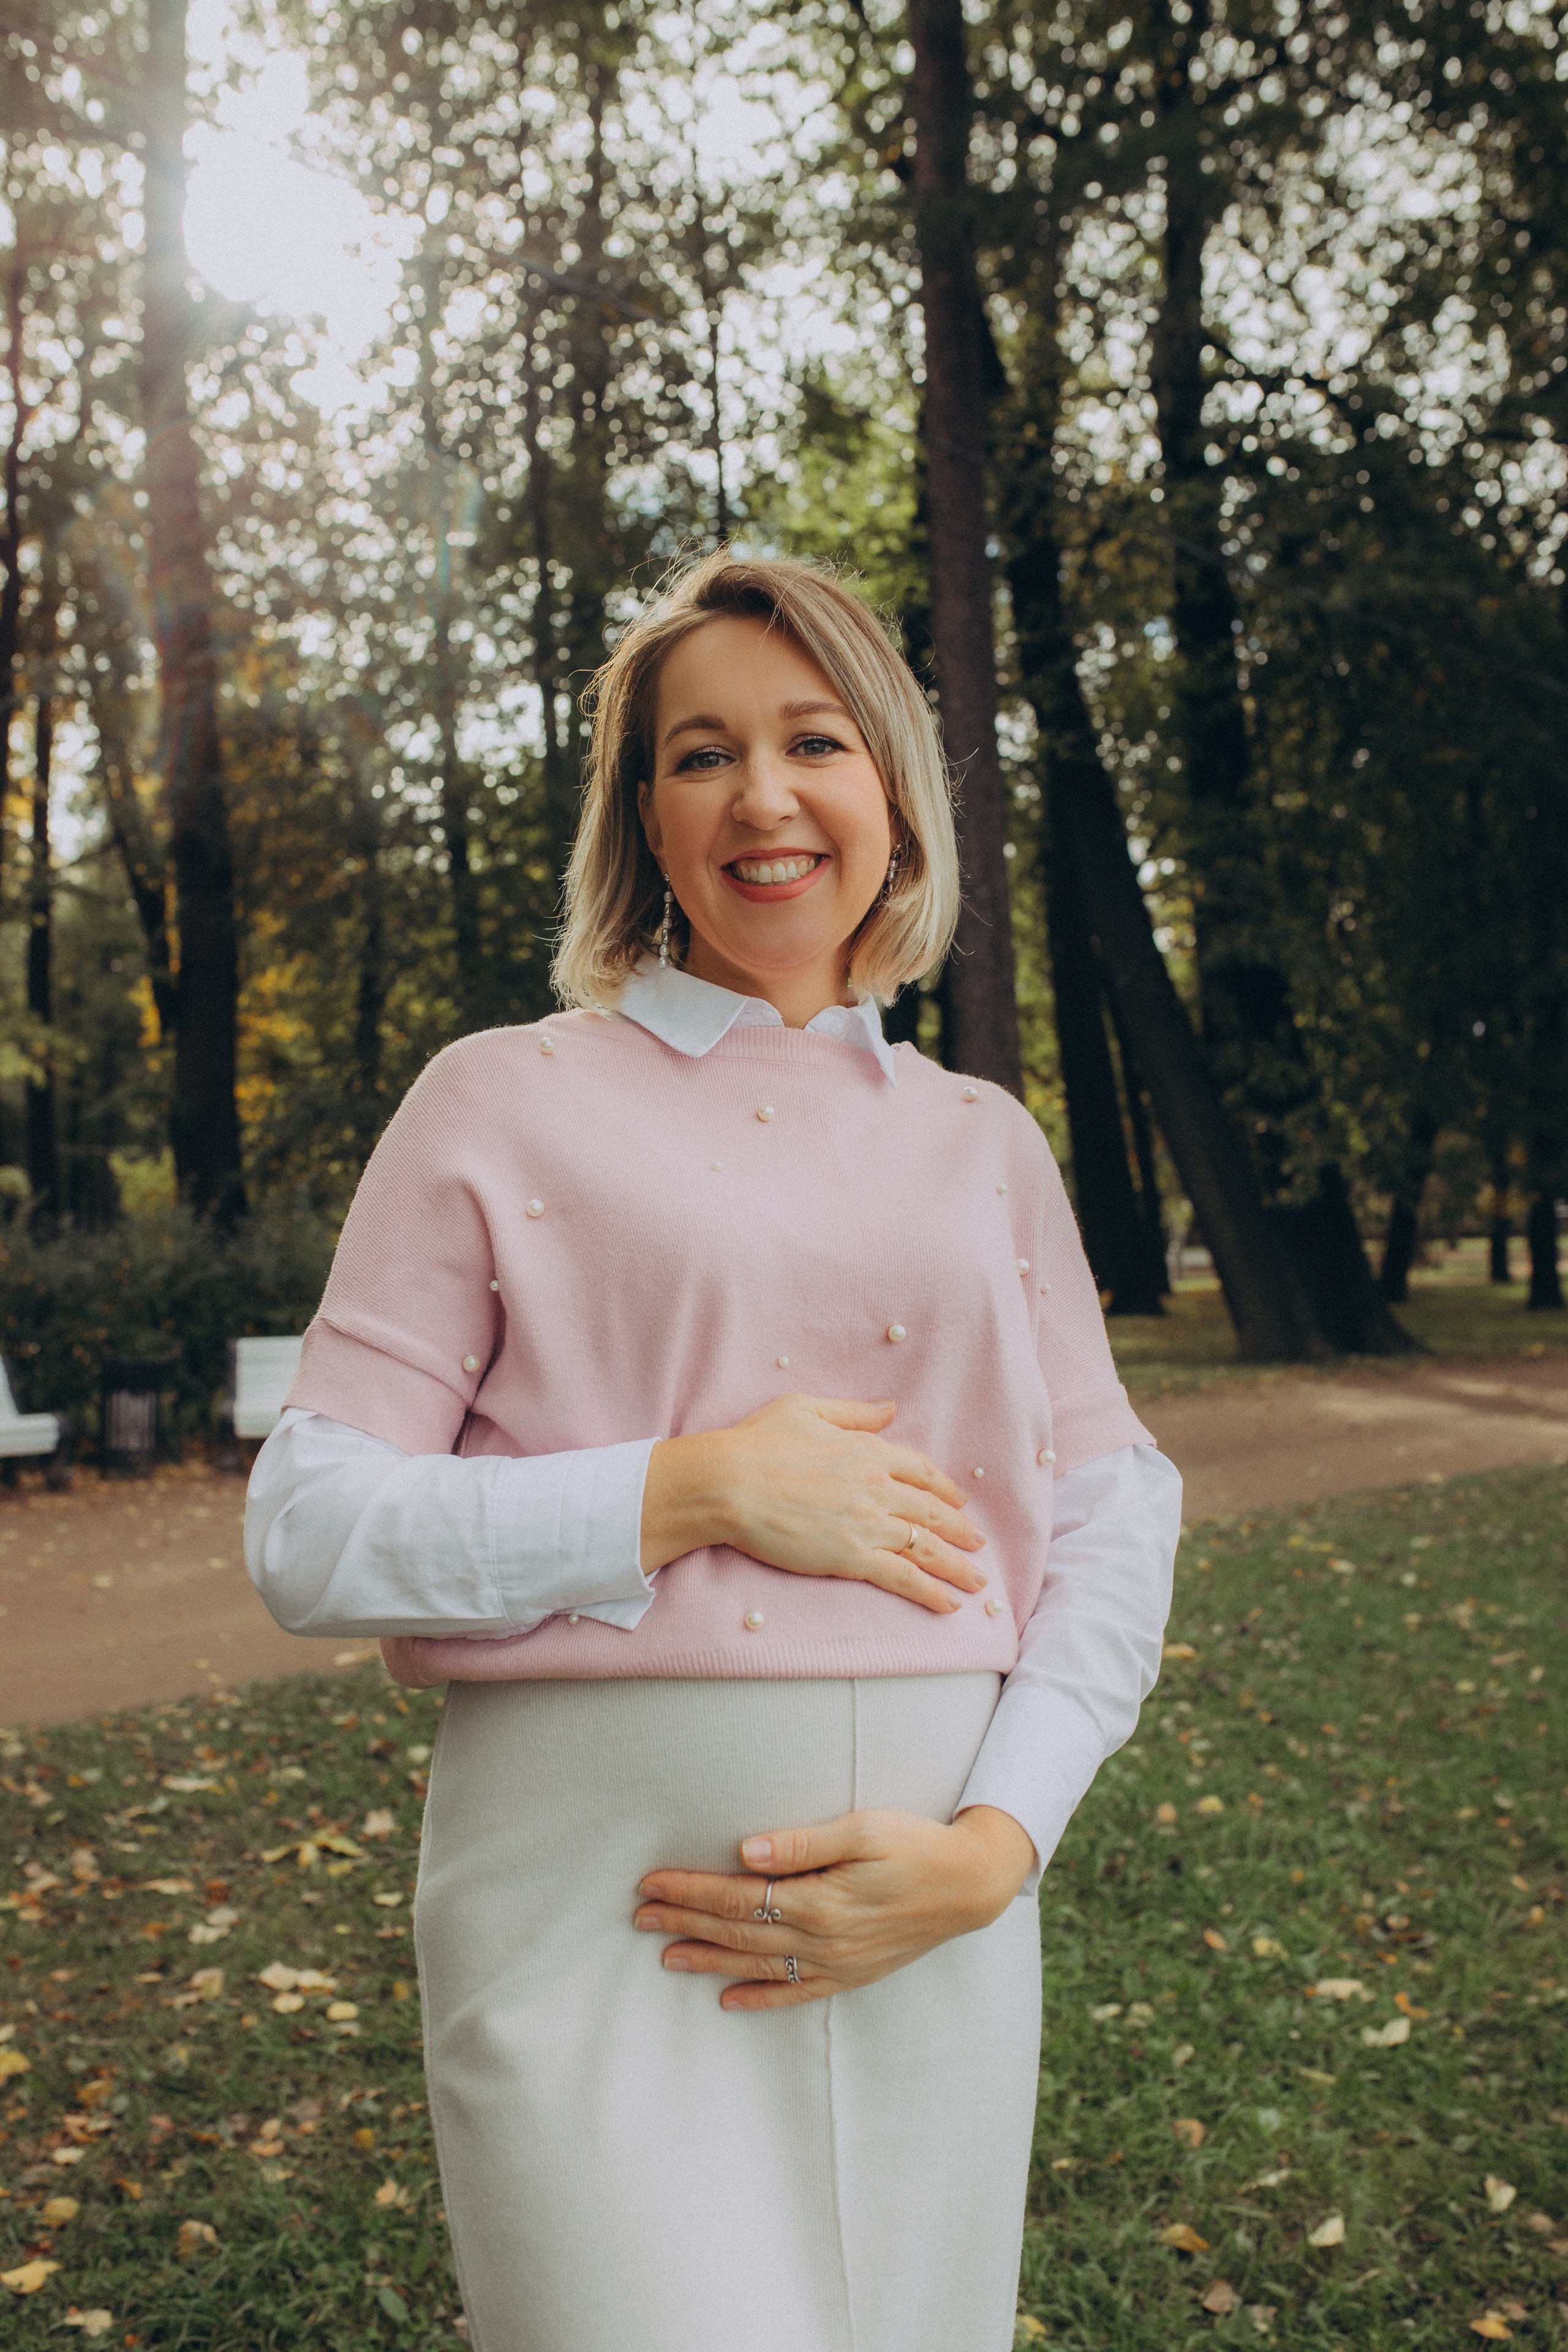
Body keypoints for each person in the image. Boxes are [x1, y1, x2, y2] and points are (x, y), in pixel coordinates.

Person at [246, 551, 1180, 2352]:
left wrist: (997, 1850)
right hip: (593, 1929)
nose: (762, 797)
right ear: (642, 819)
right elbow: (307, 1525)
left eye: (813, 740)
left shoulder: (988, 1140)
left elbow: (1111, 1509)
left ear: (892, 796)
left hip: (930, 1934)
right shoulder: (497, 1097)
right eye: (699, 754)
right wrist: (692, 1489)